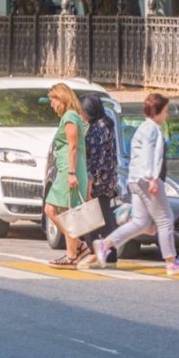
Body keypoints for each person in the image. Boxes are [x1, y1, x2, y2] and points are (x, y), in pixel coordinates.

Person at [94, 93, 179, 275]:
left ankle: (105, 244)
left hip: (135, 179)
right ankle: (171, 262)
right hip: (147, 179)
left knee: (140, 222)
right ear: (157, 111)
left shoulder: (142, 128)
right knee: (165, 219)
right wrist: (153, 178)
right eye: (165, 111)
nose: (167, 115)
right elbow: (150, 155)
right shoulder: (152, 130)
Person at [44, 83, 89, 269]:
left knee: (52, 210)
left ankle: (75, 251)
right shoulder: (70, 116)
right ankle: (76, 250)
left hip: (70, 171)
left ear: (62, 98)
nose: (51, 104)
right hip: (67, 170)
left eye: (53, 100)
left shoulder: (70, 117)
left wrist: (71, 173)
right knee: (65, 212)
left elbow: (72, 146)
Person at [76, 95, 119, 269]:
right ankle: (107, 256)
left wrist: (91, 182)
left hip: (98, 181)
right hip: (107, 179)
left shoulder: (98, 129)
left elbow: (97, 158)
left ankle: (99, 254)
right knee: (104, 217)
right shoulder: (104, 124)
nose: (81, 114)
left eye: (82, 111)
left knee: (91, 219)